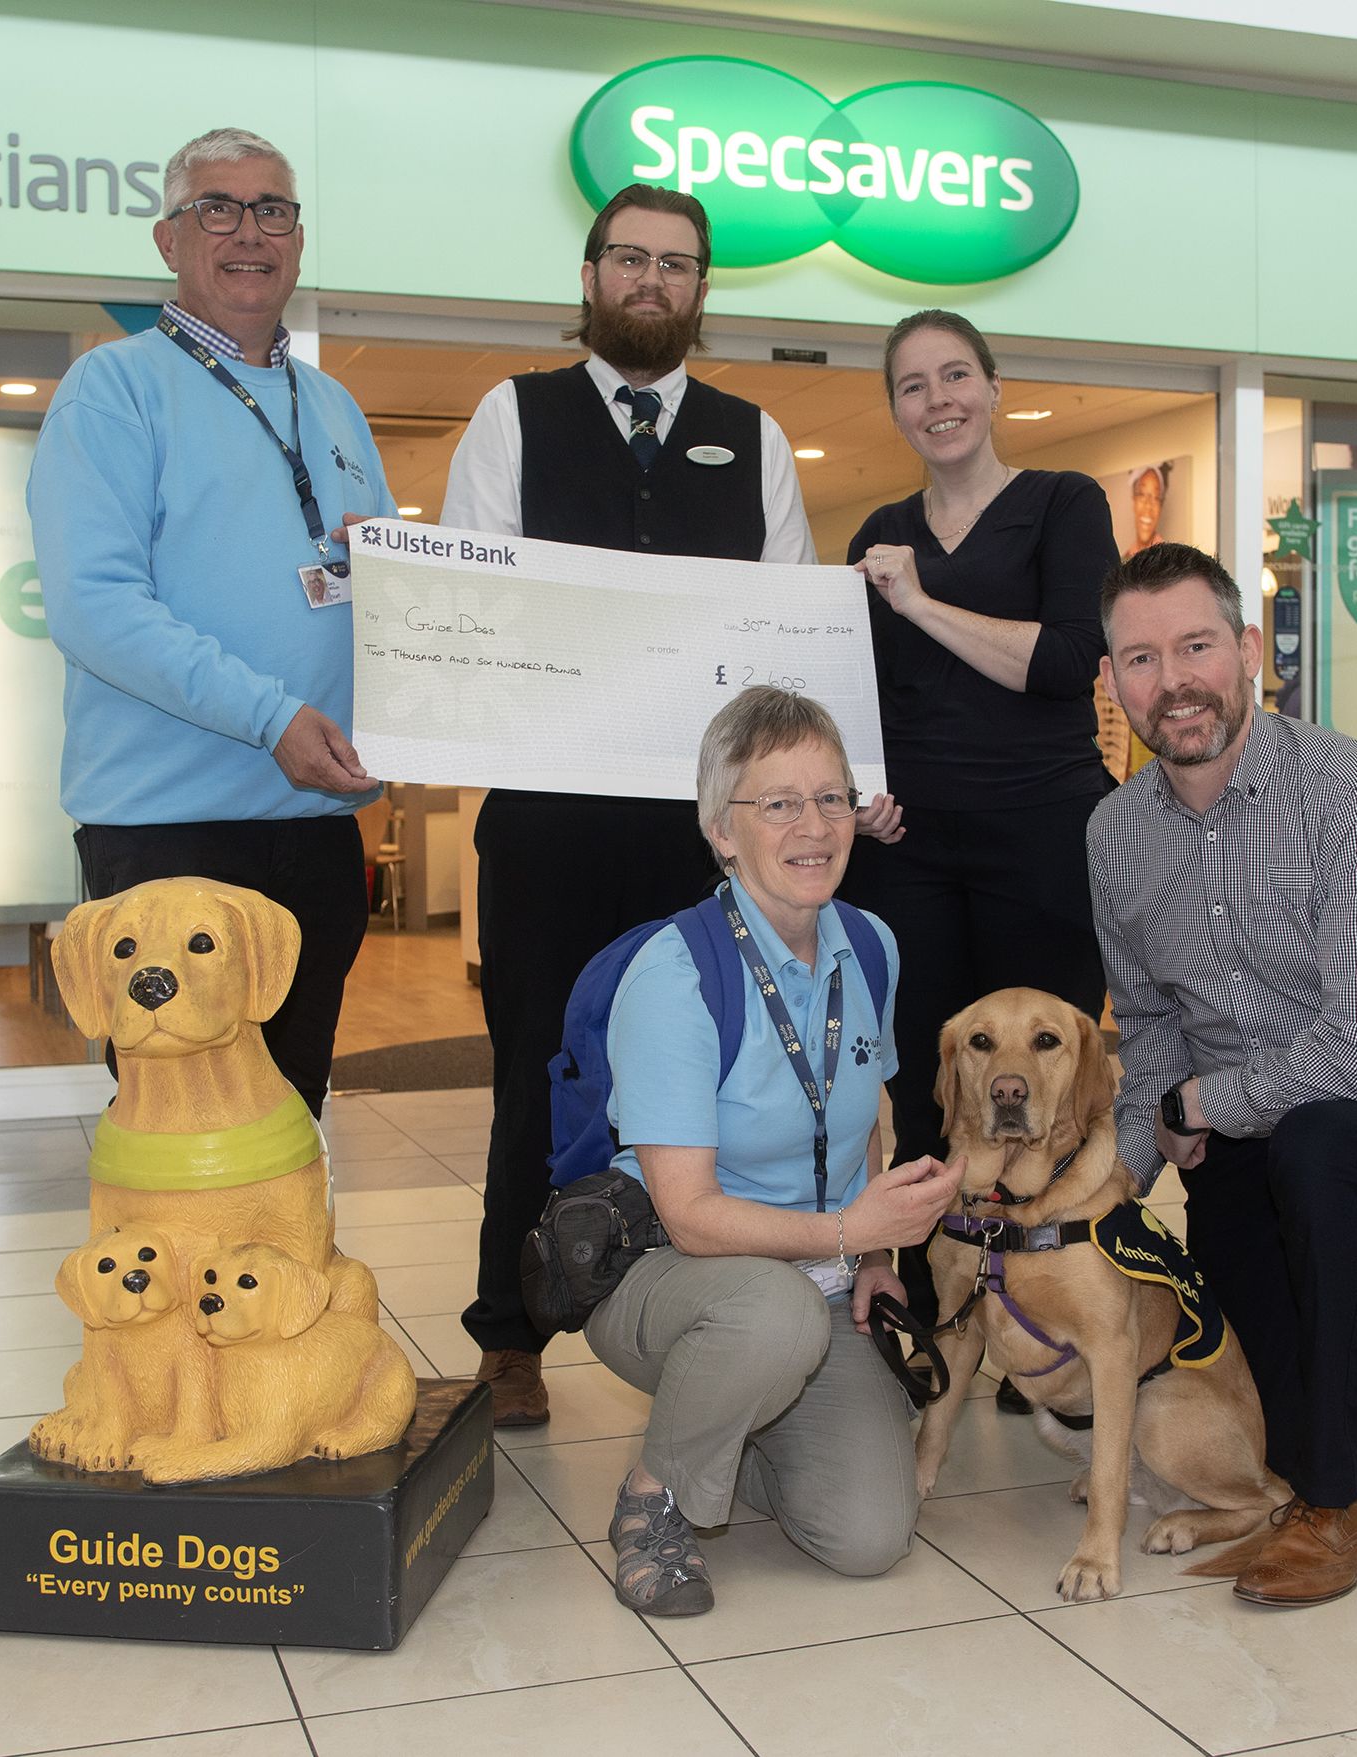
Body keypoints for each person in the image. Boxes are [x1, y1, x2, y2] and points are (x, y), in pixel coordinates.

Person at [441, 184, 845, 1426]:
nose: (652, 281)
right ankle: (510, 1334)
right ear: (591, 273)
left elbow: (785, 642)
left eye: (678, 265)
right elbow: (481, 606)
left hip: (702, 830)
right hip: (553, 818)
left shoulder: (754, 434)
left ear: (702, 290)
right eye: (631, 258)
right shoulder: (513, 416)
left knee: (711, 1072)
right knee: (537, 1069)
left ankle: (708, 1308)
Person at [1089, 541, 1357, 1609]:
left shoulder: (1352, 793)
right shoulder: (1115, 835)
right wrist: (1107, 1188)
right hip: (1239, 1130)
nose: (1171, 680)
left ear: (1249, 653)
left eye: (1195, 646)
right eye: (1139, 656)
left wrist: (1199, 1103)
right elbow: (1152, 1023)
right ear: (1114, 680)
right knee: (1268, 1381)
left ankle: (1346, 1501)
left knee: (1324, 1151)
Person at [29, 127, 393, 1118]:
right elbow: (94, 606)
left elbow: (383, 597)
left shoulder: (335, 405)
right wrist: (271, 715)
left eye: (272, 209)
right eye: (217, 208)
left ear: (299, 239)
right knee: (186, 1143)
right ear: (168, 239)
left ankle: (280, 1284)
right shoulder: (114, 390)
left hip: (314, 830)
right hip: (168, 834)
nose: (248, 232)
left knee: (290, 1119)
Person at [586, 686, 959, 1616]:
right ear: (721, 828)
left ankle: (731, 1425)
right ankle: (654, 1501)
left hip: (814, 1275)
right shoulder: (675, 975)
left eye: (832, 797)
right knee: (774, 1318)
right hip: (669, 1275)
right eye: (777, 802)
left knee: (872, 1535)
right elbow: (690, 1214)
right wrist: (848, 1229)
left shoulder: (870, 945)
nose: (814, 825)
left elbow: (870, 1115)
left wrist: (874, 1255)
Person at [843, 309, 1114, 1335]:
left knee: (1053, 1092)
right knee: (927, 1092)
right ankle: (929, 1312)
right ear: (896, 410)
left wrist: (917, 601)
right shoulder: (879, 532)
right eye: (913, 385)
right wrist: (859, 789)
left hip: (1043, 837)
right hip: (910, 853)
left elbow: (1062, 660)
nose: (938, 399)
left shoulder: (1061, 504)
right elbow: (856, 692)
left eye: (956, 375)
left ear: (995, 389)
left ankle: (1055, 1317)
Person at [1128, 461, 1169, 553]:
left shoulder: (1168, 559)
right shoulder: (1124, 558)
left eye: (1156, 498)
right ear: (1134, 500)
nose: (1148, 506)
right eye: (1142, 494)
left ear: (1161, 506)